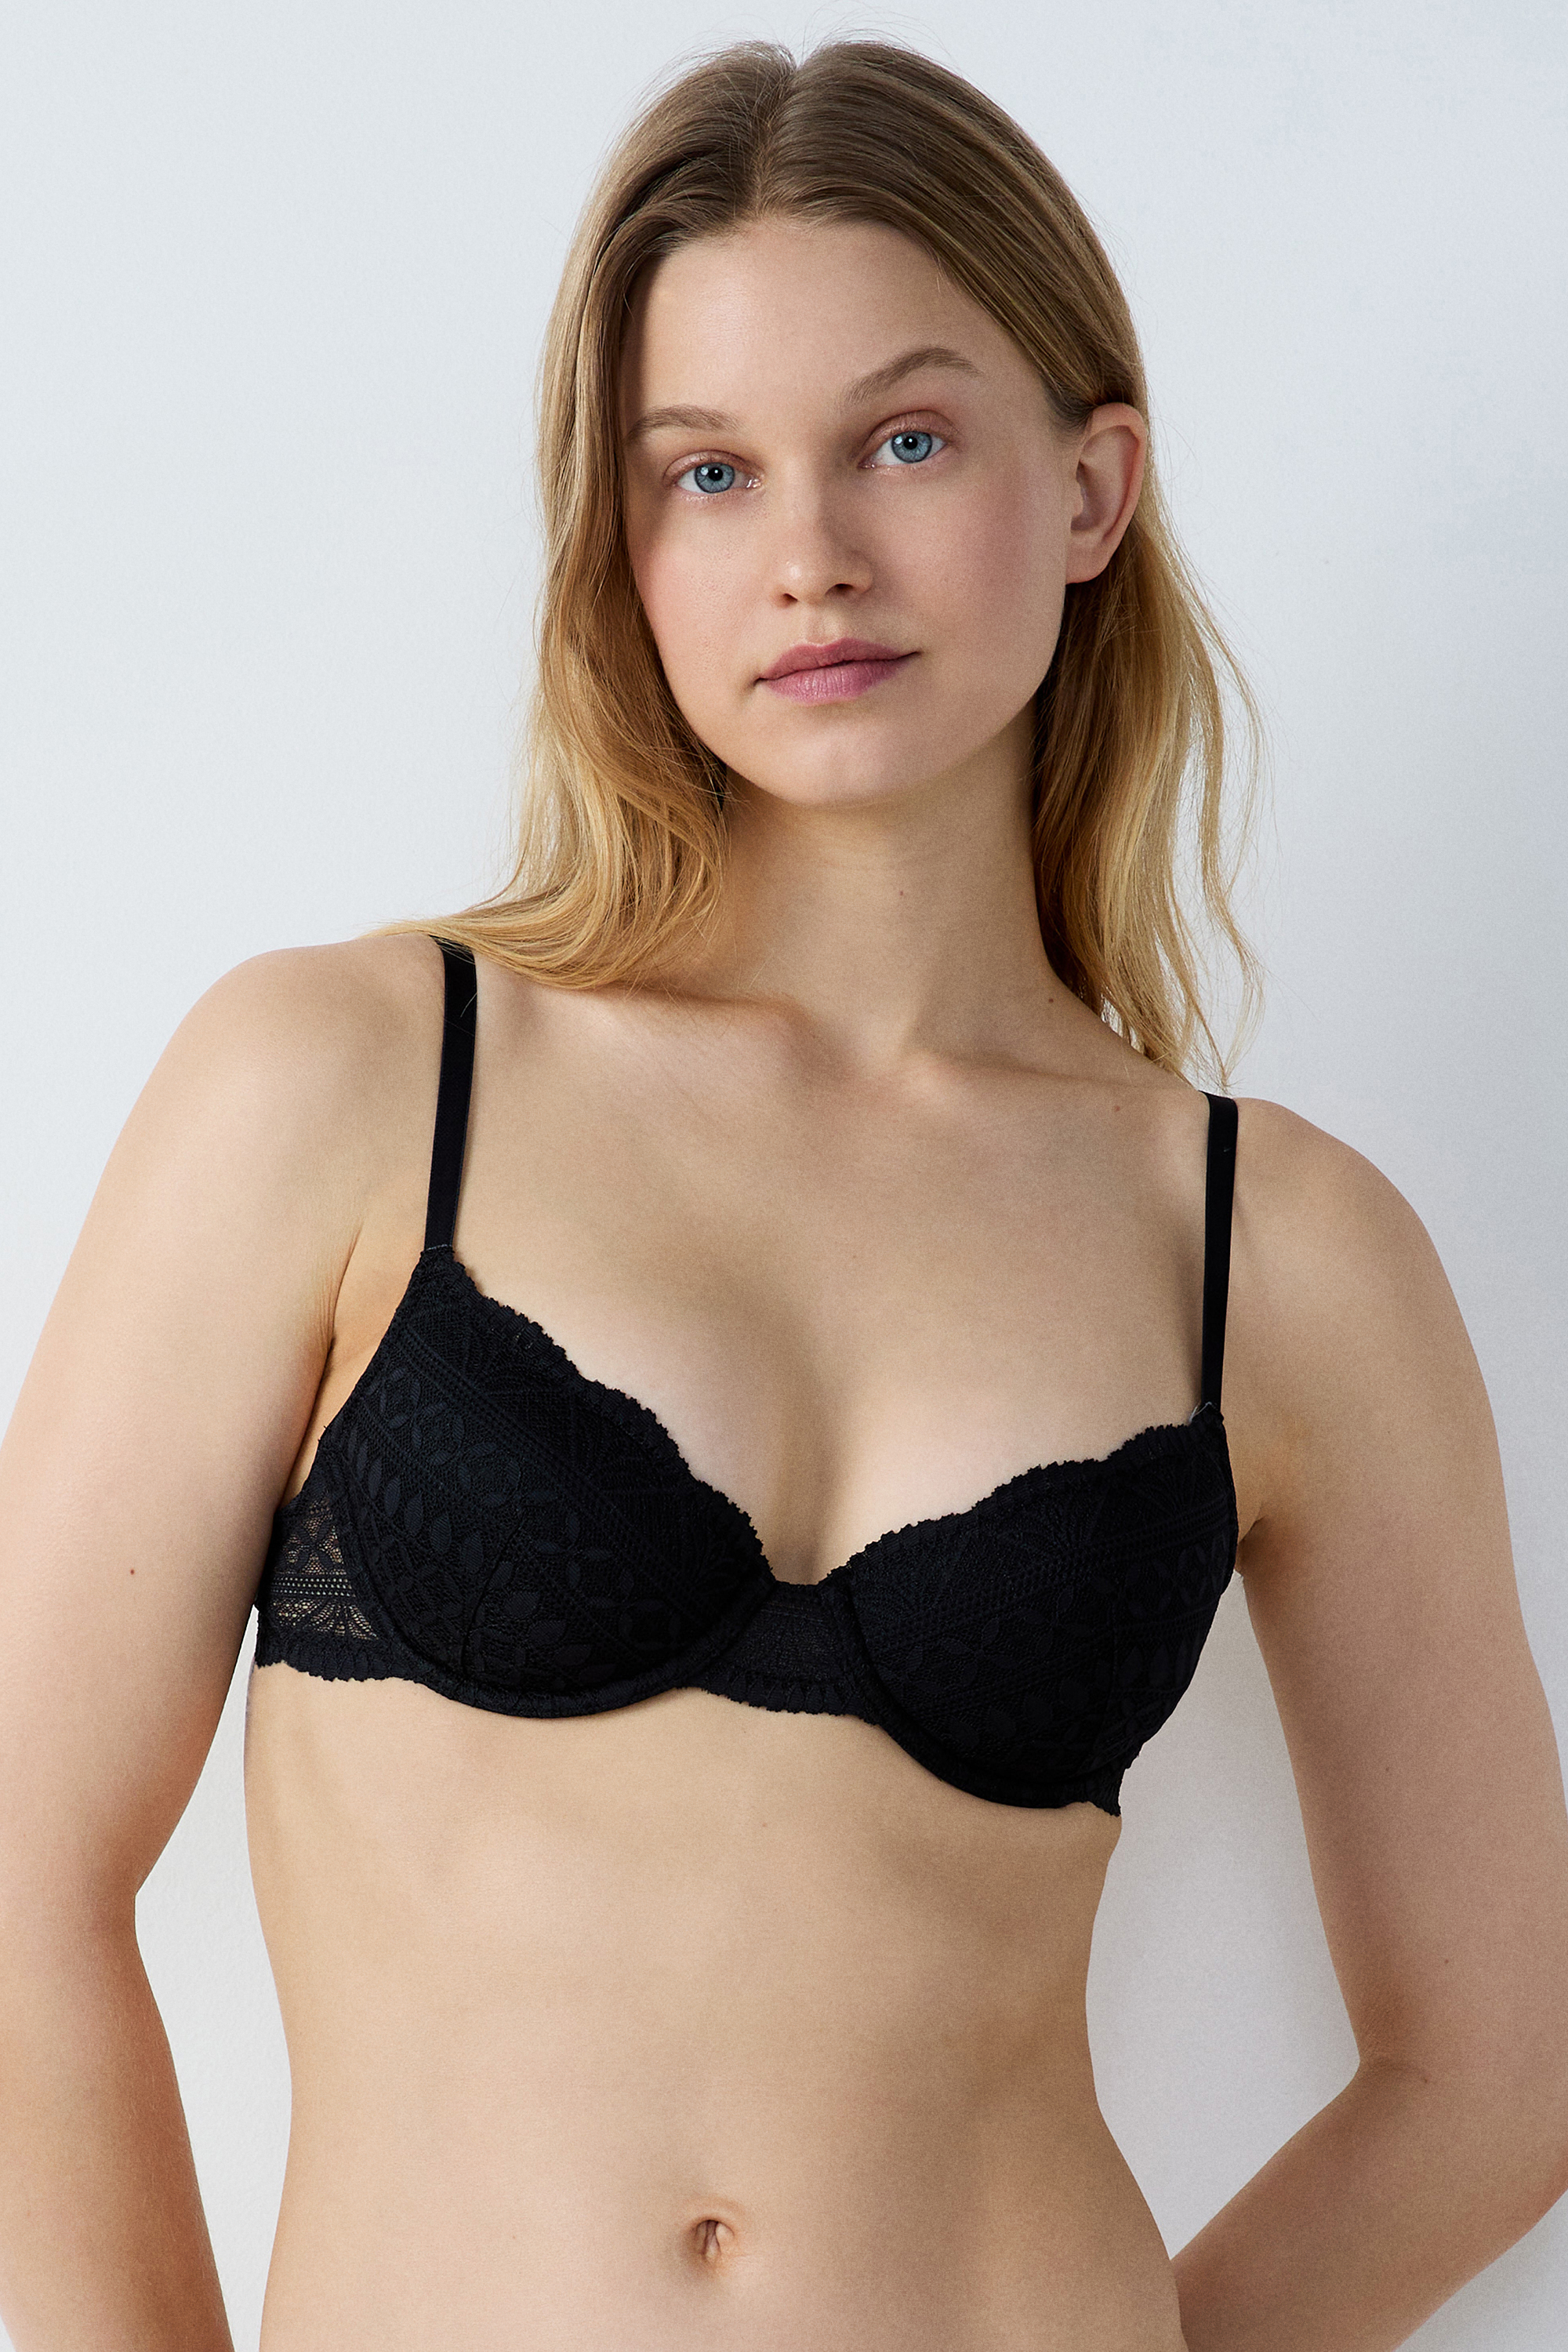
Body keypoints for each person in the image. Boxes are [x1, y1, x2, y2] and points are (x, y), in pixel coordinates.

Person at [1, 36, 1565, 2352]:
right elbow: (21, 1879)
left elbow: (1499, 2071)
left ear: (1092, 485)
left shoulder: (1282, 1258)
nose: (812, 552)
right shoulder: (349, 1085)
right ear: (622, 545)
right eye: (708, 471)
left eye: (905, 440)